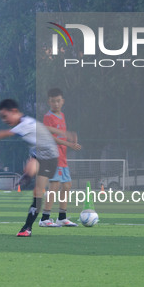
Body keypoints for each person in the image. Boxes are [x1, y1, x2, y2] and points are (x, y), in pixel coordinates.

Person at [0, 99, 74, 237]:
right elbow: (43, 127)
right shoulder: (27, 121)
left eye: (5, 116)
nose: (4, 120)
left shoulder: (24, 124)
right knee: (29, 171)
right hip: (36, 155)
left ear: (14, 112)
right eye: (1, 117)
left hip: (50, 159)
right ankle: (26, 180)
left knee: (38, 191)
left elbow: (4, 134)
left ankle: (27, 228)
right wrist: (64, 133)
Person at [39, 88, 82, 227]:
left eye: (58, 101)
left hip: (62, 157)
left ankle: (62, 217)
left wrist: (71, 139)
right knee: (54, 185)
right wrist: (68, 143)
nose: (56, 104)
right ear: (49, 102)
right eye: (53, 101)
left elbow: (62, 134)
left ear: (62, 101)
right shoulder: (48, 117)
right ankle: (45, 218)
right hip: (53, 156)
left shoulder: (62, 115)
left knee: (67, 185)